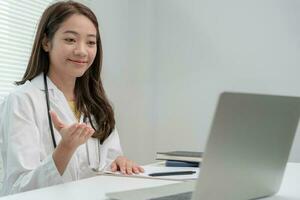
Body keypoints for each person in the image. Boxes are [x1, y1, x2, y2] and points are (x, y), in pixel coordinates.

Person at [0, 1, 144, 196]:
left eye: (91, 42)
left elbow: (110, 161)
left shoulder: (97, 105)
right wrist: (65, 148)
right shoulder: (22, 101)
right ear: (46, 42)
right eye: (70, 40)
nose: (82, 51)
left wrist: (120, 164)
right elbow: (17, 190)